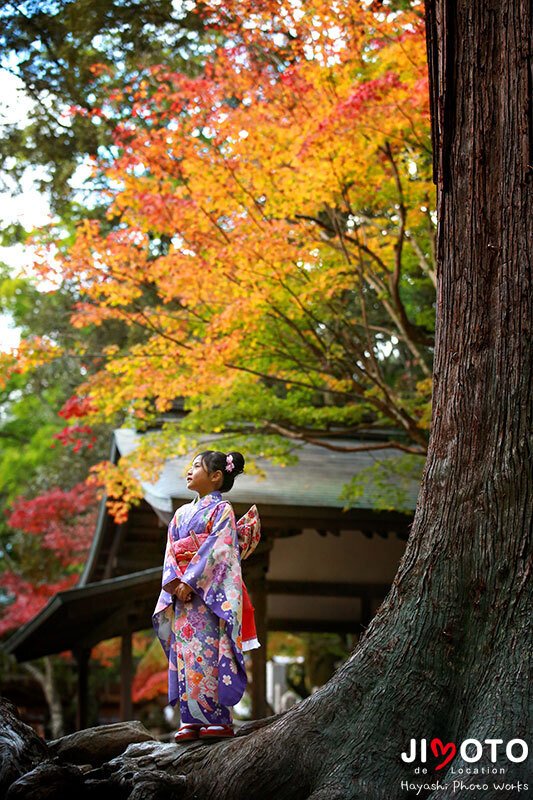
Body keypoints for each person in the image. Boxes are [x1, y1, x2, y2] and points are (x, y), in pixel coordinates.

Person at [152, 450, 260, 742]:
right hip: (184, 599)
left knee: (209, 654)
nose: (189, 470)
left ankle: (216, 718)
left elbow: (221, 549)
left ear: (215, 477)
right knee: (185, 654)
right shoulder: (180, 514)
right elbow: (171, 552)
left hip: (208, 599)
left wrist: (190, 581)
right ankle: (189, 719)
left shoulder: (221, 509)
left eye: (196, 466)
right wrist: (176, 583)